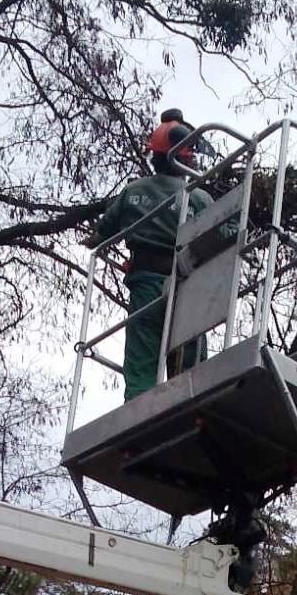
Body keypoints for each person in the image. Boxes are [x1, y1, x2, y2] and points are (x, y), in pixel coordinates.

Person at [96, 110, 213, 401]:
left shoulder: (133, 191)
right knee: (189, 356)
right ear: (183, 157)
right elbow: (229, 229)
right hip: (186, 284)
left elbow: (104, 231)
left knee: (143, 355)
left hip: (145, 284)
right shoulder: (197, 197)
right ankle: (191, 401)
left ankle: (138, 409)